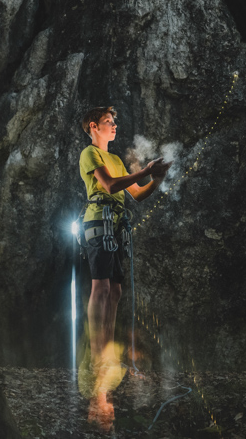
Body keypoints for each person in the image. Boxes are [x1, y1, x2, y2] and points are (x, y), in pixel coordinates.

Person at [78, 106, 171, 427]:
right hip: (97, 220)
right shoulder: (90, 154)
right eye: (108, 122)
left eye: (114, 122)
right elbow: (108, 186)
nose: (114, 126)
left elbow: (137, 194)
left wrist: (155, 179)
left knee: (115, 289)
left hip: (116, 224)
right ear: (94, 126)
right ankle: (98, 347)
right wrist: (144, 171)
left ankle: (106, 346)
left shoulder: (117, 160)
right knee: (100, 285)